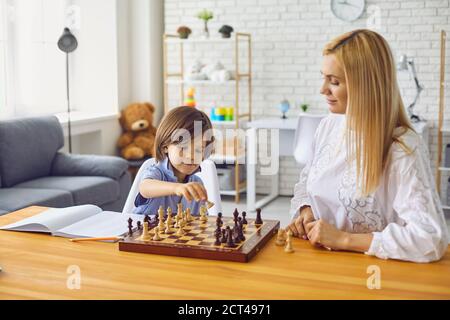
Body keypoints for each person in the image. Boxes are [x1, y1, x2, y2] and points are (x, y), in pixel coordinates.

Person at [288, 29, 448, 263]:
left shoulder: (402, 148)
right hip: (320, 262)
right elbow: (306, 181)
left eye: (334, 82)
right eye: (323, 77)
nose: (323, 90)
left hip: (375, 272)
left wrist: (343, 239)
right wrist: (306, 210)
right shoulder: (328, 126)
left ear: (365, 86)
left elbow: (430, 239)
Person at [133, 106, 214, 216]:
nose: (191, 156)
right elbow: (145, 188)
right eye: (183, 147)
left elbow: (201, 220)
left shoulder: (197, 183)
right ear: (165, 146)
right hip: (144, 231)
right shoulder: (156, 173)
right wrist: (177, 188)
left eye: (199, 149)